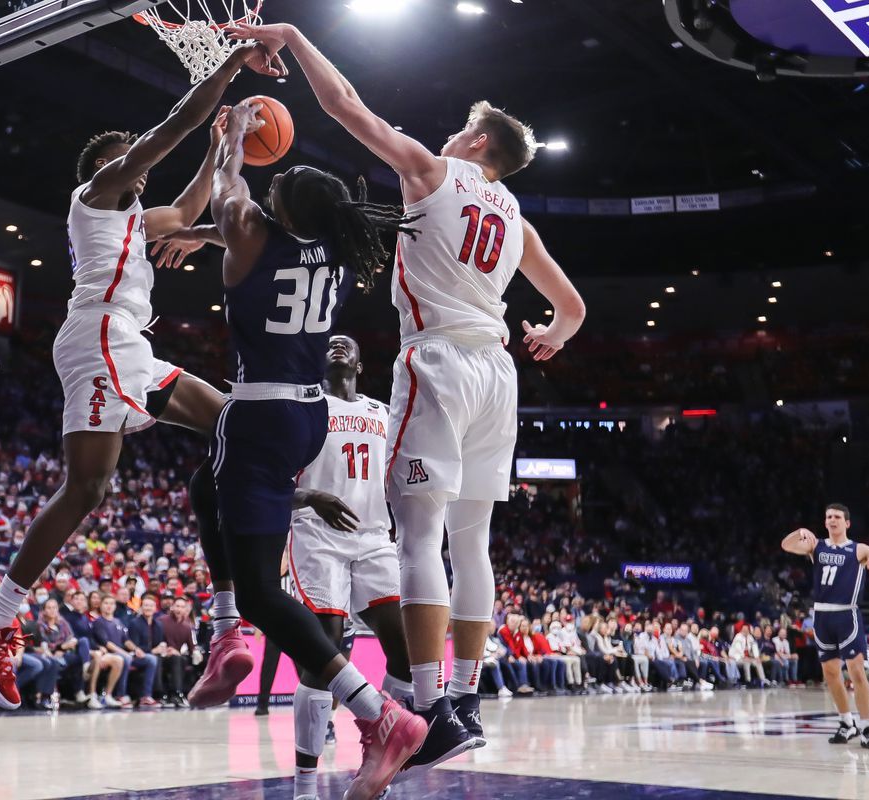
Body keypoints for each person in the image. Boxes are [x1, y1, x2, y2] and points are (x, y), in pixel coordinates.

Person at [232, 20, 586, 756]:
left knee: (419, 534)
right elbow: (573, 310)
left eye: (464, 130)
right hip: (498, 373)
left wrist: (294, 39)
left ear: (480, 144)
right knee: (474, 540)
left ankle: (432, 711)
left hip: (440, 362)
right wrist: (551, 334)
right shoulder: (517, 220)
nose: (453, 136)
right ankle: (466, 700)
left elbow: (346, 108)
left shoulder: (432, 170)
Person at [0, 43, 291, 709]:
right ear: (105, 168)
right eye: (126, 154)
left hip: (128, 343)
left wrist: (224, 139)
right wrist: (224, 76)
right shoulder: (96, 193)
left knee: (241, 431)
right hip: (101, 337)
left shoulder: (136, 217)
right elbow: (169, 131)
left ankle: (226, 629)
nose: (137, 161)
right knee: (88, 490)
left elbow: (192, 208)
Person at [186, 100, 427, 800]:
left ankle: (378, 713)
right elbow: (243, 224)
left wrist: (230, 140)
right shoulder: (340, 255)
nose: (270, 183)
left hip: (257, 413)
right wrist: (212, 233)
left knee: (263, 590)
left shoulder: (249, 229)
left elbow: (231, 191)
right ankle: (229, 635)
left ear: (284, 209)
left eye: (280, 183)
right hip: (309, 418)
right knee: (207, 487)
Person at [282, 334, 421, 800]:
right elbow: (270, 480)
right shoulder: (303, 405)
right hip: (317, 535)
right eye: (331, 343)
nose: (339, 346)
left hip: (375, 537)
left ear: (360, 364)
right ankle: (305, 788)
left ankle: (376, 758)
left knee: (403, 651)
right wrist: (310, 497)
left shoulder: (383, 412)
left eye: (348, 344)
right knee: (323, 652)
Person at [781, 503, 869, 750]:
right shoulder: (817, 545)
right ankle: (847, 723)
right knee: (831, 675)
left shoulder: (859, 549)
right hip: (822, 617)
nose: (832, 520)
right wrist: (799, 531)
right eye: (828, 517)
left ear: (847, 523)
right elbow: (786, 545)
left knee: (857, 673)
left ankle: (867, 728)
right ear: (825, 523)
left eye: (837, 516)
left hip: (848, 615)